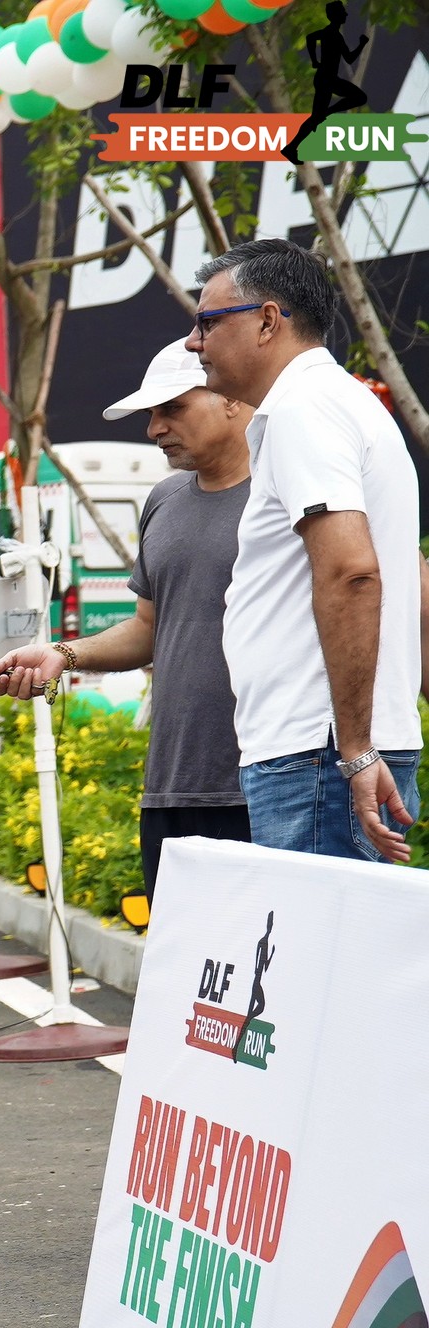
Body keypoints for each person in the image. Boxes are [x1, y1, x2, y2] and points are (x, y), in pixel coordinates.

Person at [0, 340, 253, 900]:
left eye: (172, 408)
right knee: (181, 956)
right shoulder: (165, 499)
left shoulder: (287, 494)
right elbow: (148, 628)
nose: (154, 428)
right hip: (171, 789)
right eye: (151, 413)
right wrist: (62, 654)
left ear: (231, 396)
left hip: (270, 787)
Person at [188, 238, 422, 862]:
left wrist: (356, 749)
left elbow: (351, 572)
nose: (193, 343)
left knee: (317, 929)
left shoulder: (304, 408)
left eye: (207, 323)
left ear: (268, 320)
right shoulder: (340, 403)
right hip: (331, 750)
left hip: (319, 754)